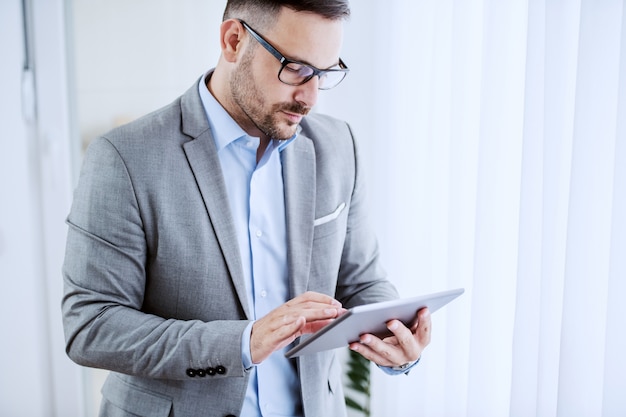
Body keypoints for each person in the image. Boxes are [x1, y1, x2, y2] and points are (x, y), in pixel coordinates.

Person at [61, 1, 432, 416]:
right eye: (296, 68)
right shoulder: (125, 157)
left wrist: (397, 338)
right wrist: (244, 342)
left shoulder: (338, 146)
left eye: (325, 74)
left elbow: (362, 281)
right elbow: (91, 325)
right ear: (234, 41)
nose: (310, 97)